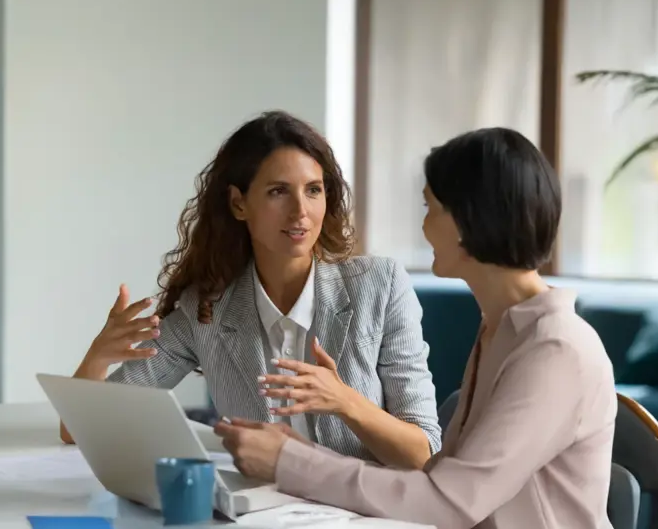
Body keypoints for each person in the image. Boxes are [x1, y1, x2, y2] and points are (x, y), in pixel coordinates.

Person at [214, 128, 617, 529]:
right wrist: (299, 453)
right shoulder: (501, 330)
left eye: (430, 208)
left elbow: (450, 502)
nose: (424, 228)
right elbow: (439, 478)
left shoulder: (555, 350)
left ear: (467, 221)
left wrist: (291, 463)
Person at [60, 110, 441, 470]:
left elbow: (424, 454)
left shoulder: (380, 285)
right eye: (278, 191)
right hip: (260, 507)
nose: (300, 211)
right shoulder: (206, 310)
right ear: (238, 203)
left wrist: (346, 403)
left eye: (313, 190)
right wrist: (98, 357)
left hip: (362, 508)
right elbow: (79, 430)